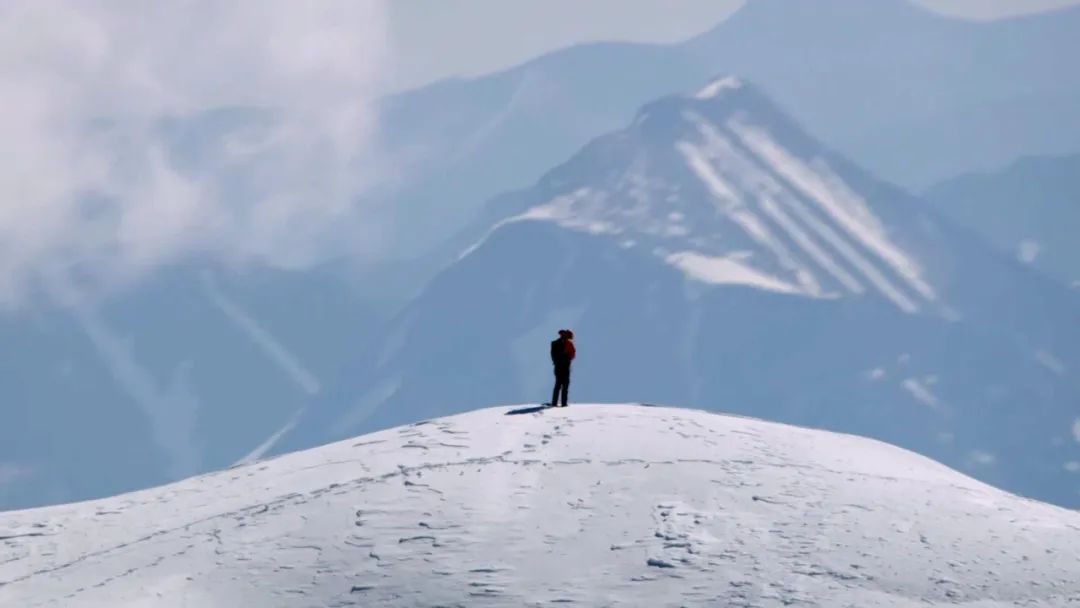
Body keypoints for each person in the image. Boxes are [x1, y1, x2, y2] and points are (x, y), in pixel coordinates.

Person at [550, 329, 576, 407]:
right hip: (564, 367)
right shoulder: (568, 343)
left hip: (559, 367)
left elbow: (553, 356)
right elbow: (573, 355)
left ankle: (555, 403)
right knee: (564, 385)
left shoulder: (555, 343)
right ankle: (563, 404)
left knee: (558, 384)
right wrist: (567, 358)